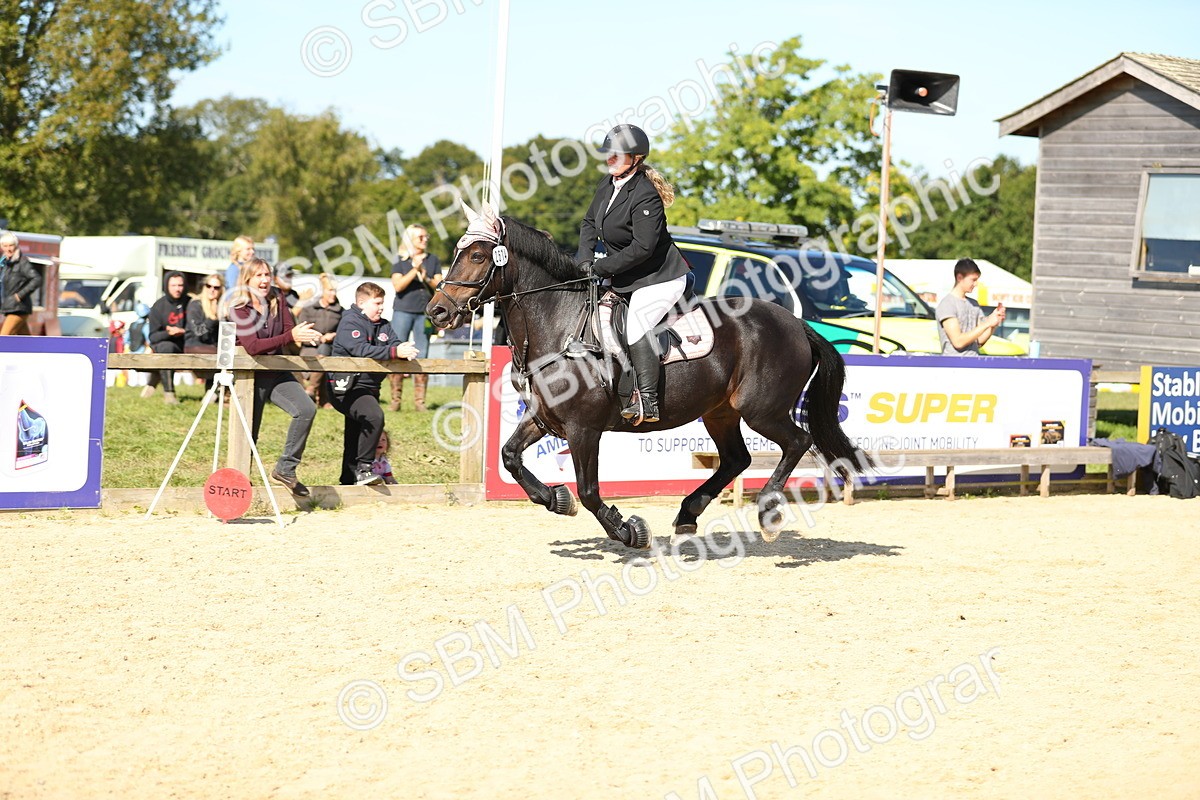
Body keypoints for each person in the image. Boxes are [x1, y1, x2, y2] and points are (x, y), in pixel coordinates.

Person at [575, 123, 690, 424]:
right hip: (627, 277)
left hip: (659, 277)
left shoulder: (645, 195)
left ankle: (647, 400)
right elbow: (589, 224)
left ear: (636, 158)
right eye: (608, 154)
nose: (610, 159)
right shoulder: (606, 185)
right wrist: (584, 260)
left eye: (617, 155)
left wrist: (601, 267)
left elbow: (643, 248)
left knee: (638, 323)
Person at [229, 258, 322, 497]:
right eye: (258, 275)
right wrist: (290, 335)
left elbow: (289, 330)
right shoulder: (239, 309)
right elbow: (253, 347)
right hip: (249, 377)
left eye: (267, 275)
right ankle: (238, 487)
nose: (264, 280)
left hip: (277, 372)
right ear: (247, 280)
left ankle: (285, 469)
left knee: (306, 410)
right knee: (250, 433)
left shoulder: (278, 299)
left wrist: (305, 335)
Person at [329, 282, 418, 485]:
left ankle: (348, 480)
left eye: (382, 303)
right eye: (377, 303)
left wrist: (403, 349)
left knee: (355, 432)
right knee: (374, 417)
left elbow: (394, 343)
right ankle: (364, 468)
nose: (381, 307)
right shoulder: (349, 322)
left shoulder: (384, 324)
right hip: (346, 387)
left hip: (369, 388)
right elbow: (361, 349)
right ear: (362, 303)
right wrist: (395, 352)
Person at [389, 224, 441, 412]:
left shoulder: (433, 259)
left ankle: (420, 402)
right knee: (397, 351)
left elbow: (439, 285)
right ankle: (395, 400)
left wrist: (426, 277)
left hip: (424, 313)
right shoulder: (400, 261)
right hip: (402, 311)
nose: (425, 240)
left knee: (423, 354)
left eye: (426, 236)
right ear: (410, 238)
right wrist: (414, 270)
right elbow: (398, 286)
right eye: (420, 237)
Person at [936, 258, 1006, 356]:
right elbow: (958, 342)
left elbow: (979, 341)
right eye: (973, 280)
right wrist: (987, 323)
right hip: (953, 366)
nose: (976, 284)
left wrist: (994, 324)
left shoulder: (974, 304)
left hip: (974, 364)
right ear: (959, 277)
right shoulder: (947, 304)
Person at [297, 274, 343, 407]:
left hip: (330, 347)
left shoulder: (340, 311)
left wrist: (333, 336)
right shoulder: (309, 308)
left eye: (335, 290)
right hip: (310, 347)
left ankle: (312, 389)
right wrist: (320, 338)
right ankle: (323, 398)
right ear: (322, 291)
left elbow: (344, 331)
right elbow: (302, 330)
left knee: (325, 351)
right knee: (322, 351)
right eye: (330, 290)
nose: (333, 294)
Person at [144, 271, 189, 404]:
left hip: (187, 343)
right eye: (173, 285)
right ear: (166, 286)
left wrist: (183, 331)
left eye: (180, 285)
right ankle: (169, 394)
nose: (177, 289)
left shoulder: (191, 303)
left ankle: (213, 393)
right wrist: (169, 333)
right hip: (165, 346)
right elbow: (153, 336)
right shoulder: (158, 306)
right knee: (166, 347)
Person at [185, 273, 225, 394]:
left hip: (214, 347)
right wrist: (212, 319)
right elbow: (199, 333)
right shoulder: (195, 304)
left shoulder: (223, 307)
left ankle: (214, 393)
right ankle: (216, 393)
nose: (212, 290)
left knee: (230, 354)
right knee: (222, 356)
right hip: (194, 345)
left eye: (216, 287)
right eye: (209, 286)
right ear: (204, 287)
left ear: (221, 289)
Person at [0, 231, 42, 336]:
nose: (8, 249)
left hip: (18, 309)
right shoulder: (6, 264)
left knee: (3, 338)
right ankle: (35, 352)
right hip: (10, 308)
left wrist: (20, 295)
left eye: (11, 245)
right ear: (1, 247)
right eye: (5, 246)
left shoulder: (22, 262)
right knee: (25, 343)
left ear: (16, 246)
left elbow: (37, 279)